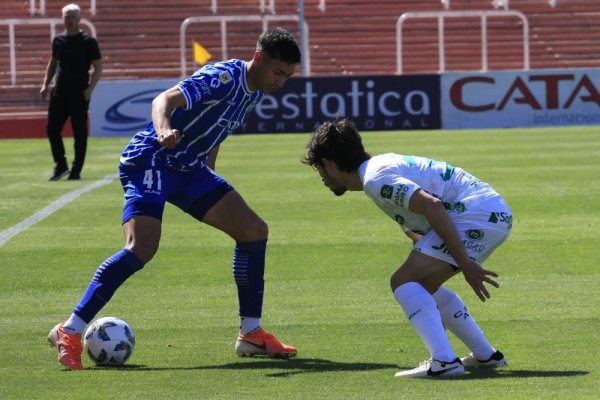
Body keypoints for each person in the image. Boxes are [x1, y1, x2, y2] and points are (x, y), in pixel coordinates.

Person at [48, 27, 301, 370]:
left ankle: (250, 333)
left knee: (254, 230)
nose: (281, 82)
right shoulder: (223, 77)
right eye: (278, 72)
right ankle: (70, 329)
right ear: (258, 58)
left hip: (188, 169)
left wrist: (211, 173)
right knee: (142, 247)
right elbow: (162, 100)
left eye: (287, 76)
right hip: (152, 157)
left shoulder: (254, 93)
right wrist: (164, 129)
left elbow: (217, 130)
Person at [303, 119, 512, 378]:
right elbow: (417, 213)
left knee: (402, 281)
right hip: (488, 211)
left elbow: (433, 206)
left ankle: (444, 362)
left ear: (329, 164)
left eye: (319, 170)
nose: (322, 178)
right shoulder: (379, 166)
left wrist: (466, 263)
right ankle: (486, 356)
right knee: (421, 286)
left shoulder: (375, 180)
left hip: (475, 214)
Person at [40, 3, 102, 181]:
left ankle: (76, 170)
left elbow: (98, 67)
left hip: (79, 94)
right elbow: (52, 64)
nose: (69, 20)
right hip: (59, 92)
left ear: (79, 19)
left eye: (73, 16)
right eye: (66, 16)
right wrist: (45, 84)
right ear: (62, 18)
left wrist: (89, 90)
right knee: (52, 129)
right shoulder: (58, 40)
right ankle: (61, 165)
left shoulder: (88, 42)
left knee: (79, 133)